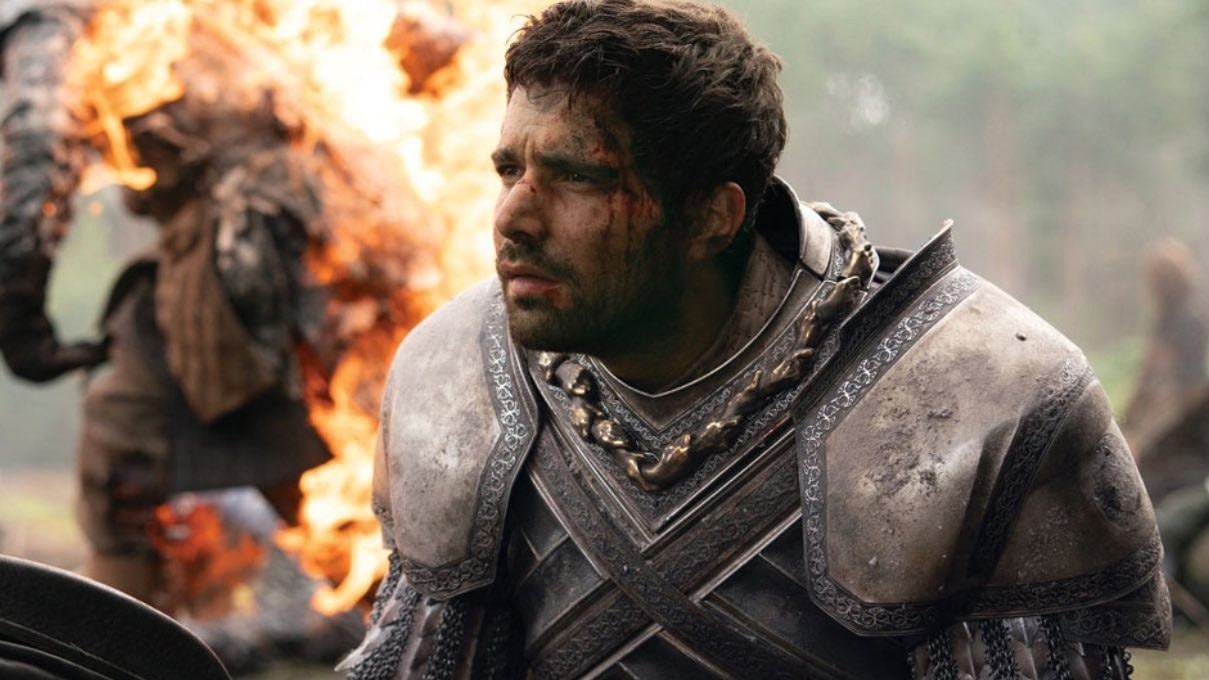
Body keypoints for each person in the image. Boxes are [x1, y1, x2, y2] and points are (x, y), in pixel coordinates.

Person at [342, 1, 1171, 677]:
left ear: (714, 215)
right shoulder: (462, 375)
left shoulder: (979, 397)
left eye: (577, 177)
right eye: (508, 171)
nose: (512, 218)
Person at [0, 0, 329, 608]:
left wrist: (20, 330)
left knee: (345, 491)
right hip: (283, 249)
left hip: (270, 256)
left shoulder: (60, 17)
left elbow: (35, 159)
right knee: (129, 453)